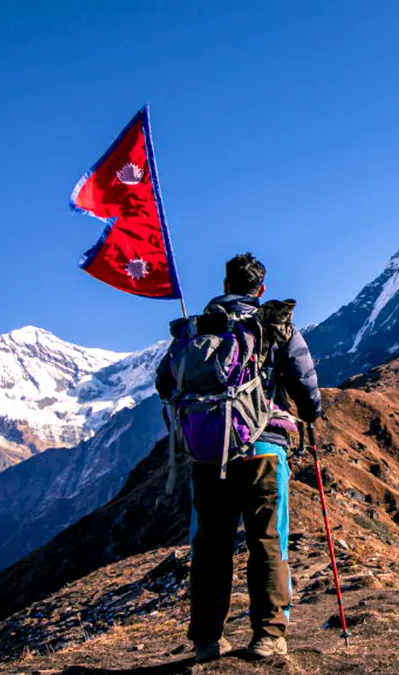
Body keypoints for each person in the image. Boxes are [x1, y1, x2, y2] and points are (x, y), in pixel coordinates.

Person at [155, 253, 321, 662]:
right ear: (260, 290)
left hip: (209, 453)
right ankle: (268, 635)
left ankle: (207, 640)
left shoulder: (199, 329)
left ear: (225, 283)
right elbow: (304, 380)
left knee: (211, 547)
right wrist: (312, 412)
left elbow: (164, 381)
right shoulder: (274, 325)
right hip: (263, 449)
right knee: (267, 539)